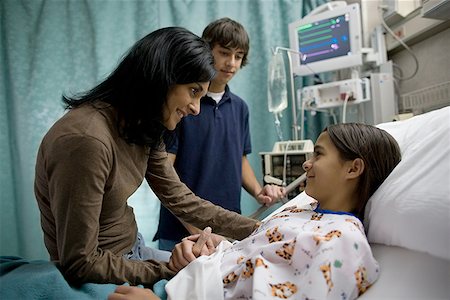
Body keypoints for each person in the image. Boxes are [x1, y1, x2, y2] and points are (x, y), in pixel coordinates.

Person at [34, 26, 260, 289]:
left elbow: (182, 199)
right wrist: (167, 270)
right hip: (103, 269)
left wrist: (259, 229)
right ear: (162, 79)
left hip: (134, 249)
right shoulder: (86, 141)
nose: (197, 109)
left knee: (227, 275)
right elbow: (80, 262)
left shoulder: (141, 125)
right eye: (194, 91)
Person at [111, 123, 402, 299]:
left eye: (319, 154)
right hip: (181, 279)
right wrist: (215, 249)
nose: (306, 164)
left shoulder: (341, 243)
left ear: (354, 168)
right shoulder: (302, 212)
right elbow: (255, 257)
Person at [155, 17, 285, 251]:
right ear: (206, 50)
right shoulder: (183, 103)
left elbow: (240, 158)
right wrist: (193, 224)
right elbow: (164, 172)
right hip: (180, 230)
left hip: (226, 227)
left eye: (238, 56)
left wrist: (258, 192)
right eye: (224, 53)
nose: (231, 63)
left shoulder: (240, 108)